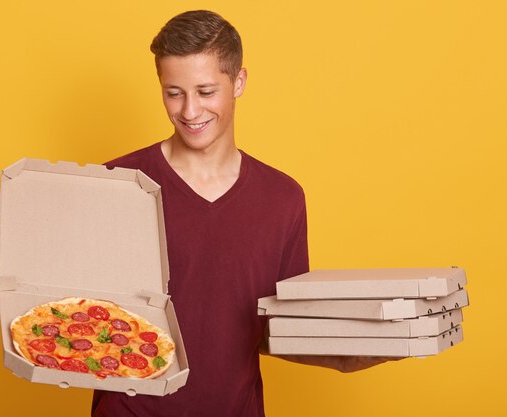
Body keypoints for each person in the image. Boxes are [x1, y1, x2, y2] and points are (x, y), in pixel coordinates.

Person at [91, 10, 394, 417]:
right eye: (173, 92)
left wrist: (350, 353)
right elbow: (83, 314)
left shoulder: (282, 198)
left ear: (239, 82)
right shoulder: (116, 183)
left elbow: (277, 328)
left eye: (206, 90)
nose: (190, 111)